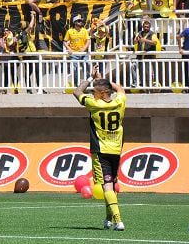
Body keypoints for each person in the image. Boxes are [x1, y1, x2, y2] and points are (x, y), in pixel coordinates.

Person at [73, 67, 126, 231]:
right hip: (116, 149)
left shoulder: (94, 104)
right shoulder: (120, 101)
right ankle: (109, 219)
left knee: (107, 185)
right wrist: (102, 80)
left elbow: (77, 92)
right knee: (111, 183)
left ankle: (118, 220)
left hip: (100, 150)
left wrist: (90, 77)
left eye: (95, 91)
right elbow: (119, 89)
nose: (92, 93)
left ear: (102, 93)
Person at [64, 14, 91, 83]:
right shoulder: (69, 31)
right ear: (75, 22)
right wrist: (69, 49)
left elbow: (88, 41)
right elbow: (65, 42)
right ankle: (77, 86)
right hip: (74, 54)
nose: (81, 22)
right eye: (79, 21)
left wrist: (84, 48)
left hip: (84, 53)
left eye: (81, 21)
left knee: (87, 67)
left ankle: (88, 85)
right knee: (75, 69)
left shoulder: (84, 31)